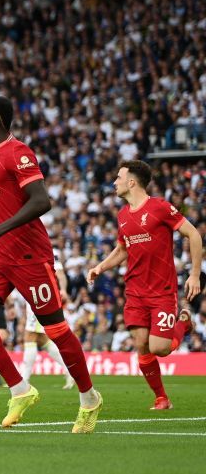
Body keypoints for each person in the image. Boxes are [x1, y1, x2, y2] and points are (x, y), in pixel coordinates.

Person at [0, 96, 102, 433]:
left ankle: (89, 398)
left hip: (29, 256)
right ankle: (20, 389)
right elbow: (11, 201)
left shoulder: (18, 153)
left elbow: (42, 201)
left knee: (55, 330)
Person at [87, 160, 202, 409]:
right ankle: (162, 398)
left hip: (161, 290)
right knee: (141, 344)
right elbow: (122, 249)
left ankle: (182, 324)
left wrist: (194, 275)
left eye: (119, 177)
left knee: (159, 348)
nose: (114, 182)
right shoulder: (122, 215)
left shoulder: (160, 207)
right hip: (135, 290)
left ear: (131, 182)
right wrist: (100, 267)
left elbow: (193, 234)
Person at [14, 255, 75, 389]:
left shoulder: (46, 253)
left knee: (30, 335)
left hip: (42, 296)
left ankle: (24, 379)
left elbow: (60, 273)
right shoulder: (30, 252)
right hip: (34, 294)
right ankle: (70, 371)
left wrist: (63, 290)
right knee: (43, 340)